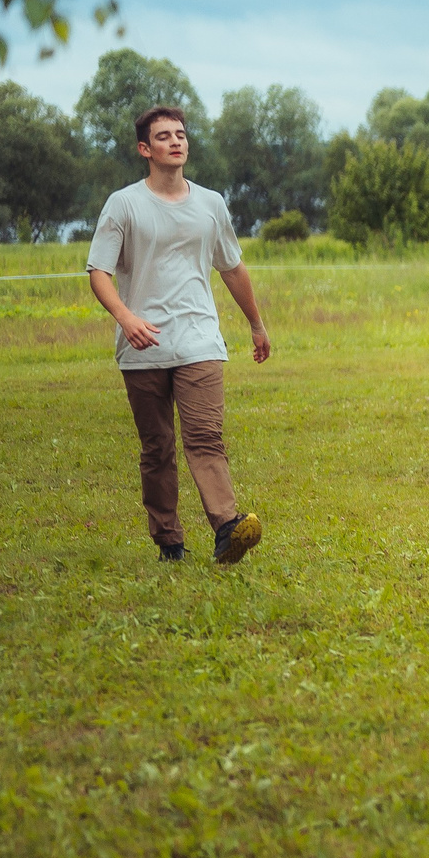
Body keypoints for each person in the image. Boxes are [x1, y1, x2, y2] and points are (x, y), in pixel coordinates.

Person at [85, 105, 270, 564]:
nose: (176, 141)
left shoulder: (211, 204)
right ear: (145, 149)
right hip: (142, 344)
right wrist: (127, 319)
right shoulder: (123, 204)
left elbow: (232, 267)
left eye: (181, 134)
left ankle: (227, 526)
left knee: (206, 435)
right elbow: (99, 273)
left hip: (199, 339)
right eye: (164, 136)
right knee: (158, 447)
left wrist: (256, 323)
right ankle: (168, 538)